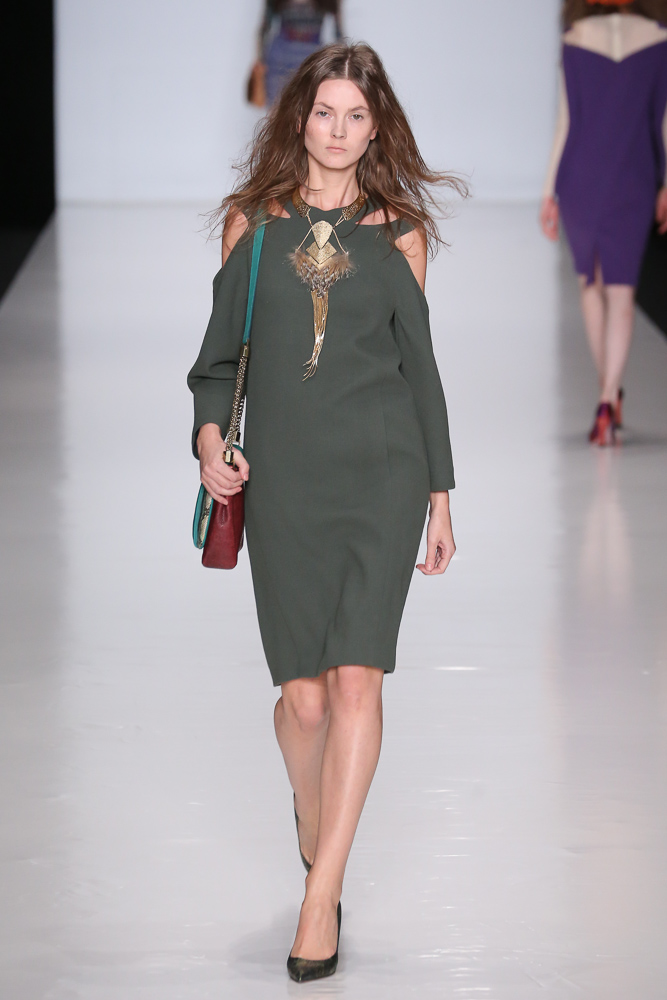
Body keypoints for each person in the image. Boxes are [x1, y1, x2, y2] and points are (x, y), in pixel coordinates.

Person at [188, 43, 464, 982]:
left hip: (382, 477)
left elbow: (420, 369)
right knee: (301, 702)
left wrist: (439, 494)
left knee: (355, 685)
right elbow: (219, 359)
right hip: (286, 482)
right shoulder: (253, 225)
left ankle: (322, 894)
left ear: (375, 128)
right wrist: (209, 443)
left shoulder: (399, 234)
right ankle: (313, 823)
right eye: (323, 113)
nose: (338, 131)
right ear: (297, 119)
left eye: (355, 116)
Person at [541, 0, 667, 445]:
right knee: (621, 291)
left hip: (581, 179)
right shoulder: (658, 38)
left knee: (590, 285)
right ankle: (608, 396)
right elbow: (664, 121)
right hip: (635, 177)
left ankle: (608, 396)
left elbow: (566, 123)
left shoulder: (574, 40)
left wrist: (549, 191)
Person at [252, 0, 343, 106]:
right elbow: (264, 28)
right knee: (277, 107)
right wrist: (260, 61)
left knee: (309, 107)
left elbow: (339, 33)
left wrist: (343, 65)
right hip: (280, 58)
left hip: (311, 58)